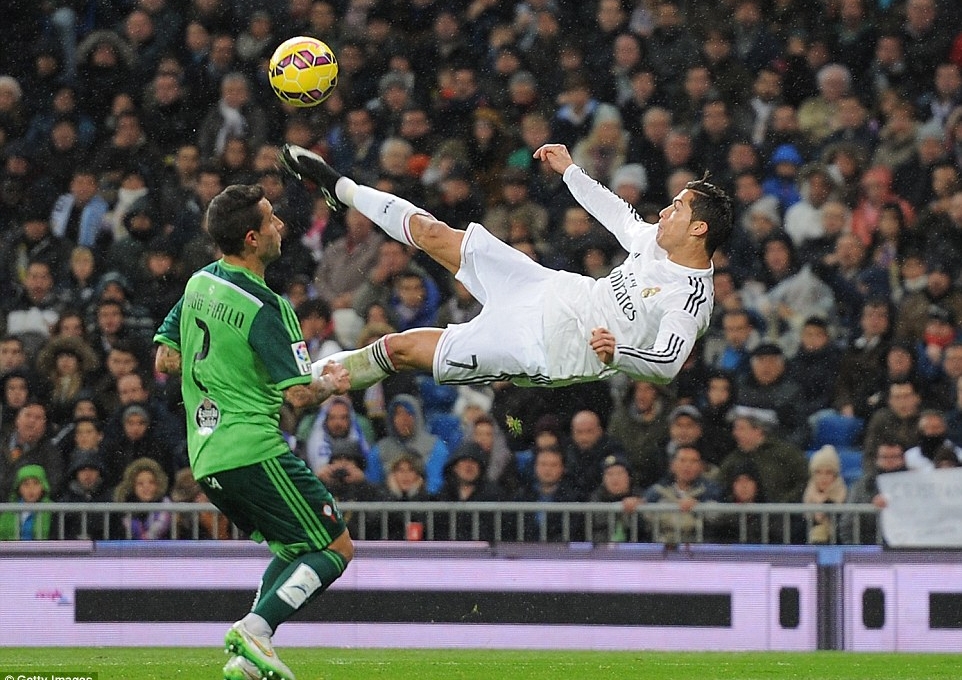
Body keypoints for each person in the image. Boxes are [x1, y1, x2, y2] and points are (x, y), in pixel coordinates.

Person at [280, 142, 734, 394]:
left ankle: (312, 384)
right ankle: (341, 187)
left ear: (697, 230)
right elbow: (620, 216)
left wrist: (618, 355)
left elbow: (667, 363)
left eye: (677, 209)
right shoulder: (655, 242)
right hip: (548, 289)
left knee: (400, 348)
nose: (665, 212)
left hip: (544, 347)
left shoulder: (689, 300)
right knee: (436, 232)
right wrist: (572, 171)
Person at [153, 183, 353, 680]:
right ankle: (256, 629)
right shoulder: (269, 307)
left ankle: (247, 659)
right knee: (335, 547)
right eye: (271, 220)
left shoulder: (198, 283)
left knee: (291, 548)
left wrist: (217, 387)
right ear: (251, 238)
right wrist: (329, 385)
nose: (280, 225)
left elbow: (166, 357)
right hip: (252, 448)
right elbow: (299, 395)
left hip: (206, 456)